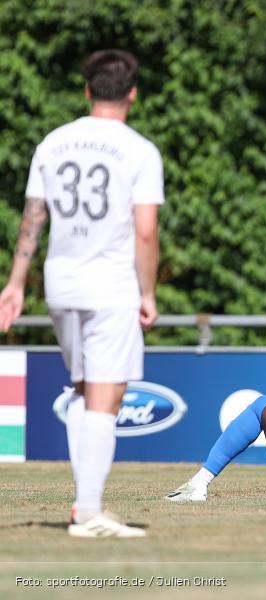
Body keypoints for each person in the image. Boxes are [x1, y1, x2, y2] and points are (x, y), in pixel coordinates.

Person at [0, 49, 164, 538]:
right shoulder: (139, 150)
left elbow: (34, 217)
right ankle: (87, 510)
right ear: (133, 92)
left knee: (82, 388)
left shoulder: (54, 142)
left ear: (88, 90)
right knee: (106, 393)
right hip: (110, 285)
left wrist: (14, 282)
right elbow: (147, 233)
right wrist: (148, 292)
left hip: (60, 281)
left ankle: (85, 503)